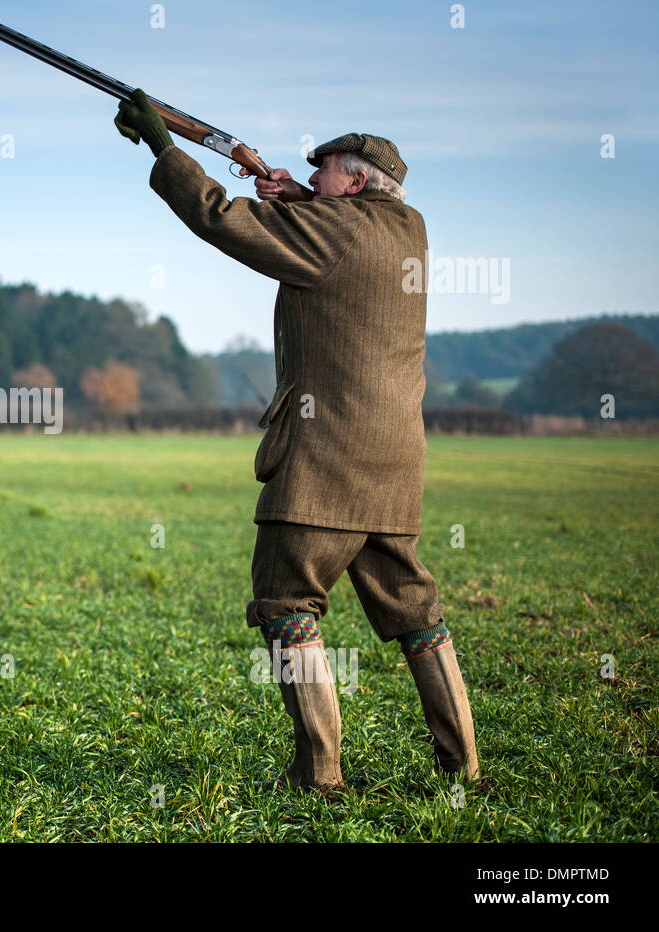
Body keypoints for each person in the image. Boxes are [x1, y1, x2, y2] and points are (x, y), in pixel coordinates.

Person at [115, 90, 479, 792]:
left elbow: (222, 220)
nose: (310, 177)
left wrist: (166, 147)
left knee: (285, 603)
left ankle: (319, 776)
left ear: (356, 181)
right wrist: (294, 197)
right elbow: (337, 235)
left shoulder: (335, 231)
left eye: (324, 171)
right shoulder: (409, 230)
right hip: (394, 464)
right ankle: (464, 769)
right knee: (415, 612)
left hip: (323, 461)